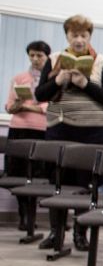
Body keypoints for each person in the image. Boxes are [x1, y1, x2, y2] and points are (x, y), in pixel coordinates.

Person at [35, 14, 103, 251]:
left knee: (86, 184)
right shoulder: (54, 60)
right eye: (74, 35)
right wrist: (58, 79)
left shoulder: (102, 62)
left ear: (90, 36)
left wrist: (85, 84)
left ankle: (81, 233)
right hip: (60, 129)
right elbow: (40, 95)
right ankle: (56, 233)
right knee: (58, 182)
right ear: (67, 36)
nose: (79, 40)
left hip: (94, 132)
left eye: (83, 35)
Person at [5, 40, 51, 231]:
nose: (35, 59)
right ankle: (24, 217)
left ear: (47, 57)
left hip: (42, 131)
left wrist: (28, 107)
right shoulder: (19, 78)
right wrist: (16, 106)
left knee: (41, 174)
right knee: (18, 173)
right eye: (32, 55)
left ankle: (41, 218)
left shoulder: (51, 80)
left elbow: (50, 107)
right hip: (19, 129)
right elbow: (9, 106)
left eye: (39, 55)